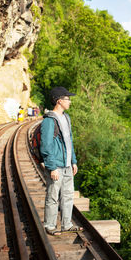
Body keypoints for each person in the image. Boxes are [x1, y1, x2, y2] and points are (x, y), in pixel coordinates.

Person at [40, 86, 82, 235]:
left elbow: (69, 141)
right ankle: (50, 226)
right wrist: (52, 167)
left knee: (68, 195)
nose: (70, 101)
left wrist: (73, 161)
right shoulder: (49, 121)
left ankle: (66, 224)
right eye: (67, 99)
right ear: (59, 101)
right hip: (56, 165)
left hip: (67, 165)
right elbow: (45, 146)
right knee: (53, 196)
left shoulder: (66, 118)